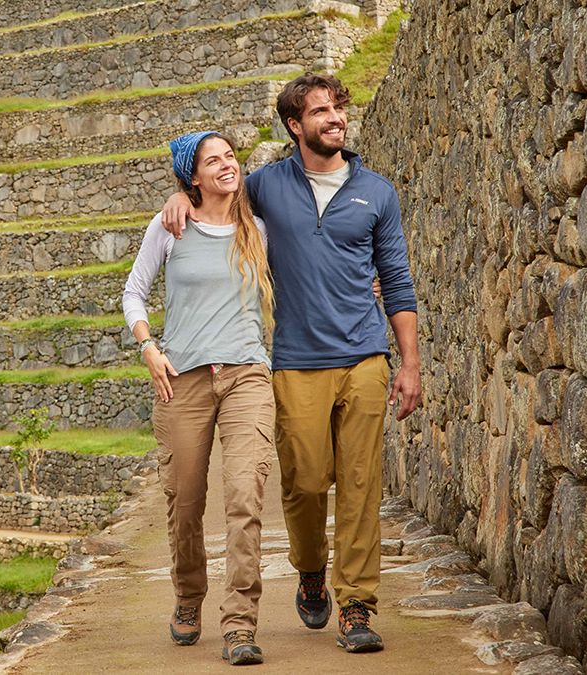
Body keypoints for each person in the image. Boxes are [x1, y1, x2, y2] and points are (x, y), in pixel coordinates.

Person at [161, 73, 422, 655]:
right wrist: (180, 195)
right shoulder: (265, 187)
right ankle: (310, 568)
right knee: (304, 482)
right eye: (321, 111)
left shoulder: (376, 192)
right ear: (294, 126)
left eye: (338, 109)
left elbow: (397, 281)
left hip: (365, 356)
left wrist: (409, 362)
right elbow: (216, 203)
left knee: (360, 483)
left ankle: (356, 605)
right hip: (294, 360)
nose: (335, 118)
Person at [122, 130, 276, 666]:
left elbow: (304, 270)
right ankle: (189, 596)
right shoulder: (170, 226)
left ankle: (239, 624)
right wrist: (147, 346)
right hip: (181, 379)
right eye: (213, 161)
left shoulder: (256, 228)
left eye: (231, 156)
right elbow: (134, 291)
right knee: (185, 504)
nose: (227, 165)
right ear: (193, 177)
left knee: (245, 497)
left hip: (247, 376)